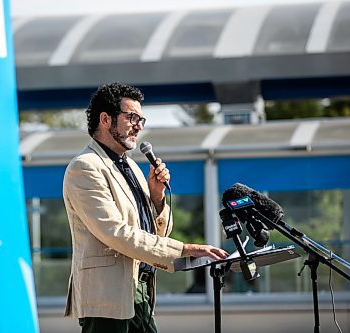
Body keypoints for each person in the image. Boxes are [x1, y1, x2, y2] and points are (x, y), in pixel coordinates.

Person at [63, 83, 228, 333]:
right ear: (105, 119)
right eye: (131, 117)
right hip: (106, 299)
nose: (139, 126)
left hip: (141, 292)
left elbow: (156, 234)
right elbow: (115, 232)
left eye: (141, 119)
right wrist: (184, 249)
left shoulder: (134, 169)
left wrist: (157, 198)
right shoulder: (85, 167)